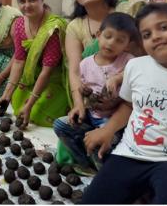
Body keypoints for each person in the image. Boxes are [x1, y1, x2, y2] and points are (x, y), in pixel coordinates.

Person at [81, 3, 167, 204]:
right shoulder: (136, 66)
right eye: (146, 34)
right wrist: (108, 130)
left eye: (164, 27)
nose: (155, 36)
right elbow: (128, 105)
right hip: (129, 153)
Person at [57, 0, 145, 166]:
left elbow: (143, 59)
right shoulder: (76, 26)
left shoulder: (127, 13)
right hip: (93, 101)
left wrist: (120, 94)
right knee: (67, 128)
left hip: (129, 96)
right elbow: (74, 69)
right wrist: (79, 103)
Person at [54, 12, 138, 173]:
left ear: (127, 44)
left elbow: (132, 74)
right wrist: (83, 91)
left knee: (101, 144)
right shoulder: (86, 63)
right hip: (91, 115)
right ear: (98, 35)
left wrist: (117, 78)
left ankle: (103, 171)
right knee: (60, 125)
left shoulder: (129, 61)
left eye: (120, 40)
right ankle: (84, 163)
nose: (111, 43)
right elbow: (82, 85)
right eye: (108, 36)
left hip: (112, 121)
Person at [0, 0, 71, 129]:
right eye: (22, 1)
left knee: (36, 112)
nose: (27, 5)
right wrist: (6, 94)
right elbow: (18, 61)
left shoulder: (53, 28)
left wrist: (30, 104)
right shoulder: (19, 24)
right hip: (32, 75)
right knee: (16, 102)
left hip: (53, 78)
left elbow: (47, 71)